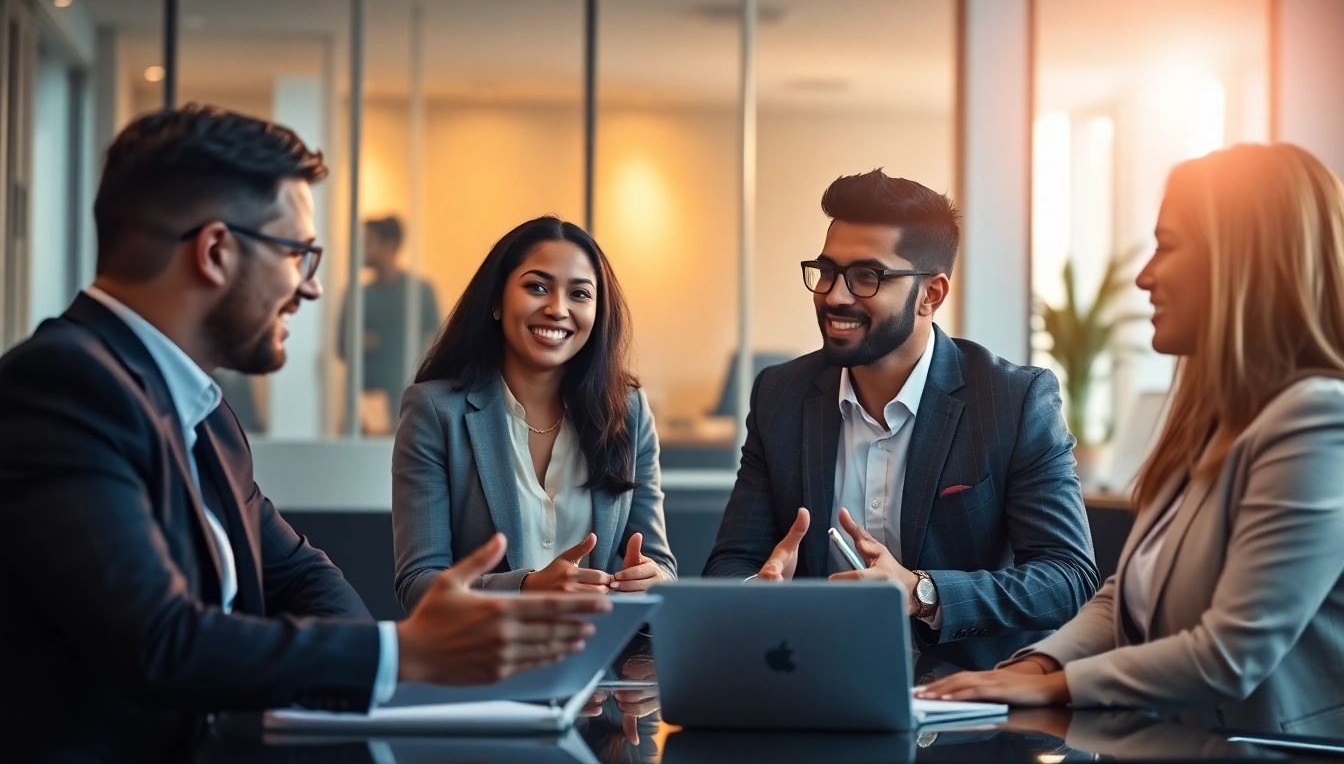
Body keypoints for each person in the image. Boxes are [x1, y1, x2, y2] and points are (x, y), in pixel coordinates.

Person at [0, 106, 609, 760]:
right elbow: (161, 641)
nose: (312, 288)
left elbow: (300, 575)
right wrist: (403, 651)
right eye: (299, 254)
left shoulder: (205, 415)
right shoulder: (61, 387)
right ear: (215, 251)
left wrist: (394, 664)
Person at [918, 143, 1344, 737]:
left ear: (1240, 263)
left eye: (1168, 247)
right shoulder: (1209, 424)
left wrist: (1052, 687)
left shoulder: (1317, 421)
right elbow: (1127, 597)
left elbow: (1230, 655)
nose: (1145, 276)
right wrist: (1038, 664)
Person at [703, 169, 1099, 670]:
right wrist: (754, 593)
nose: (834, 295)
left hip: (966, 709)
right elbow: (730, 564)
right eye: (826, 272)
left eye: (866, 276)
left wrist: (922, 593)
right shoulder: (780, 395)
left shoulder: (1012, 400)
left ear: (931, 295)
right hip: (810, 690)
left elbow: (1067, 578)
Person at [392, 216, 676, 611]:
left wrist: (653, 579)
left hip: (599, 662)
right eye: (537, 287)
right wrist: (527, 588)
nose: (558, 309)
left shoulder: (628, 413)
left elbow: (661, 565)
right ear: (496, 301)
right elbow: (419, 584)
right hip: (483, 662)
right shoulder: (435, 411)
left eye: (579, 294)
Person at [339, 216, 441, 434]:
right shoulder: (357, 296)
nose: (360, 249)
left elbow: (436, 344)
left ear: (389, 245)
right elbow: (342, 346)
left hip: (406, 405)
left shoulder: (419, 293)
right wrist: (359, 342)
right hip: (361, 409)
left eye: (367, 242)